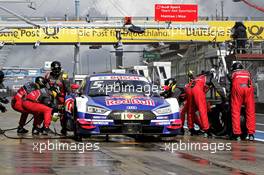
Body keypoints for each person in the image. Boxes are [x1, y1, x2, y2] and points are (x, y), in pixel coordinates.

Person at [187, 70, 226, 137]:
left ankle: (191, 129)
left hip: (189, 89)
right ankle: (206, 130)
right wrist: (224, 97)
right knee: (202, 110)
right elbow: (218, 88)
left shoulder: (198, 77)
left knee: (190, 110)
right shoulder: (210, 78)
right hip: (197, 90)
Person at [230, 62, 255, 141]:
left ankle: (237, 135)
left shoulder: (233, 74)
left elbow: (230, 85)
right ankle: (251, 134)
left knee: (236, 112)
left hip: (238, 89)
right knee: (250, 112)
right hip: (248, 89)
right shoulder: (247, 73)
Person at [45, 61, 70, 135]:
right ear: (52, 69)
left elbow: (68, 88)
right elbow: (43, 86)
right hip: (50, 98)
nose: (56, 71)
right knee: (48, 112)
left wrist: (69, 97)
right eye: (54, 69)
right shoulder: (47, 75)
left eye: (58, 69)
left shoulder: (64, 75)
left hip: (61, 98)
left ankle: (64, 128)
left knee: (63, 114)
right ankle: (46, 127)